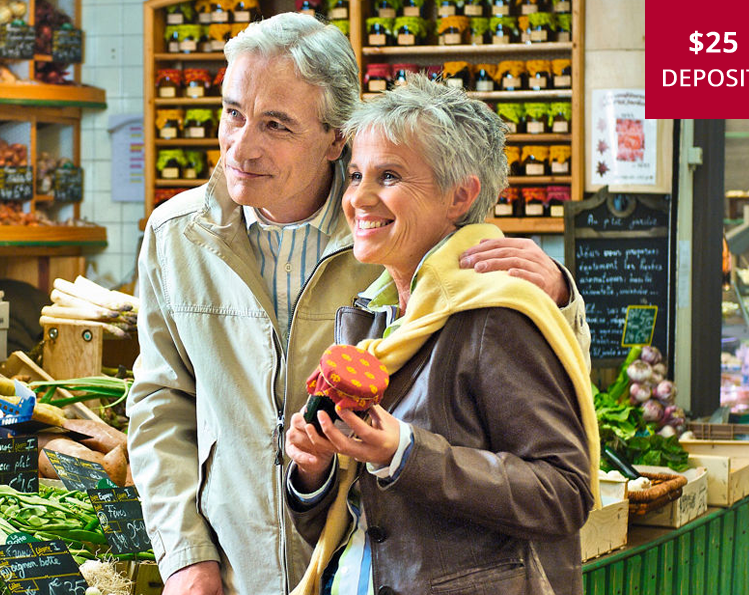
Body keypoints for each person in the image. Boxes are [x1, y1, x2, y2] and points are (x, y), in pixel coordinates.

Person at [127, 13, 591, 595]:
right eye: (233, 113)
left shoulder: (394, 242)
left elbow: (539, 397)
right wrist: (185, 555)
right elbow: (159, 404)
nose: (241, 147)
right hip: (241, 565)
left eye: (276, 125)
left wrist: (557, 297)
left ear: (335, 136)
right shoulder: (177, 235)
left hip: (374, 568)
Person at [284, 74, 598, 595]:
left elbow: (563, 493)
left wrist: (406, 453)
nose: (359, 197)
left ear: (460, 196)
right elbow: (372, 527)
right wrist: (315, 471)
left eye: (389, 176)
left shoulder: (492, 317)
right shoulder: (375, 323)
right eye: (356, 173)